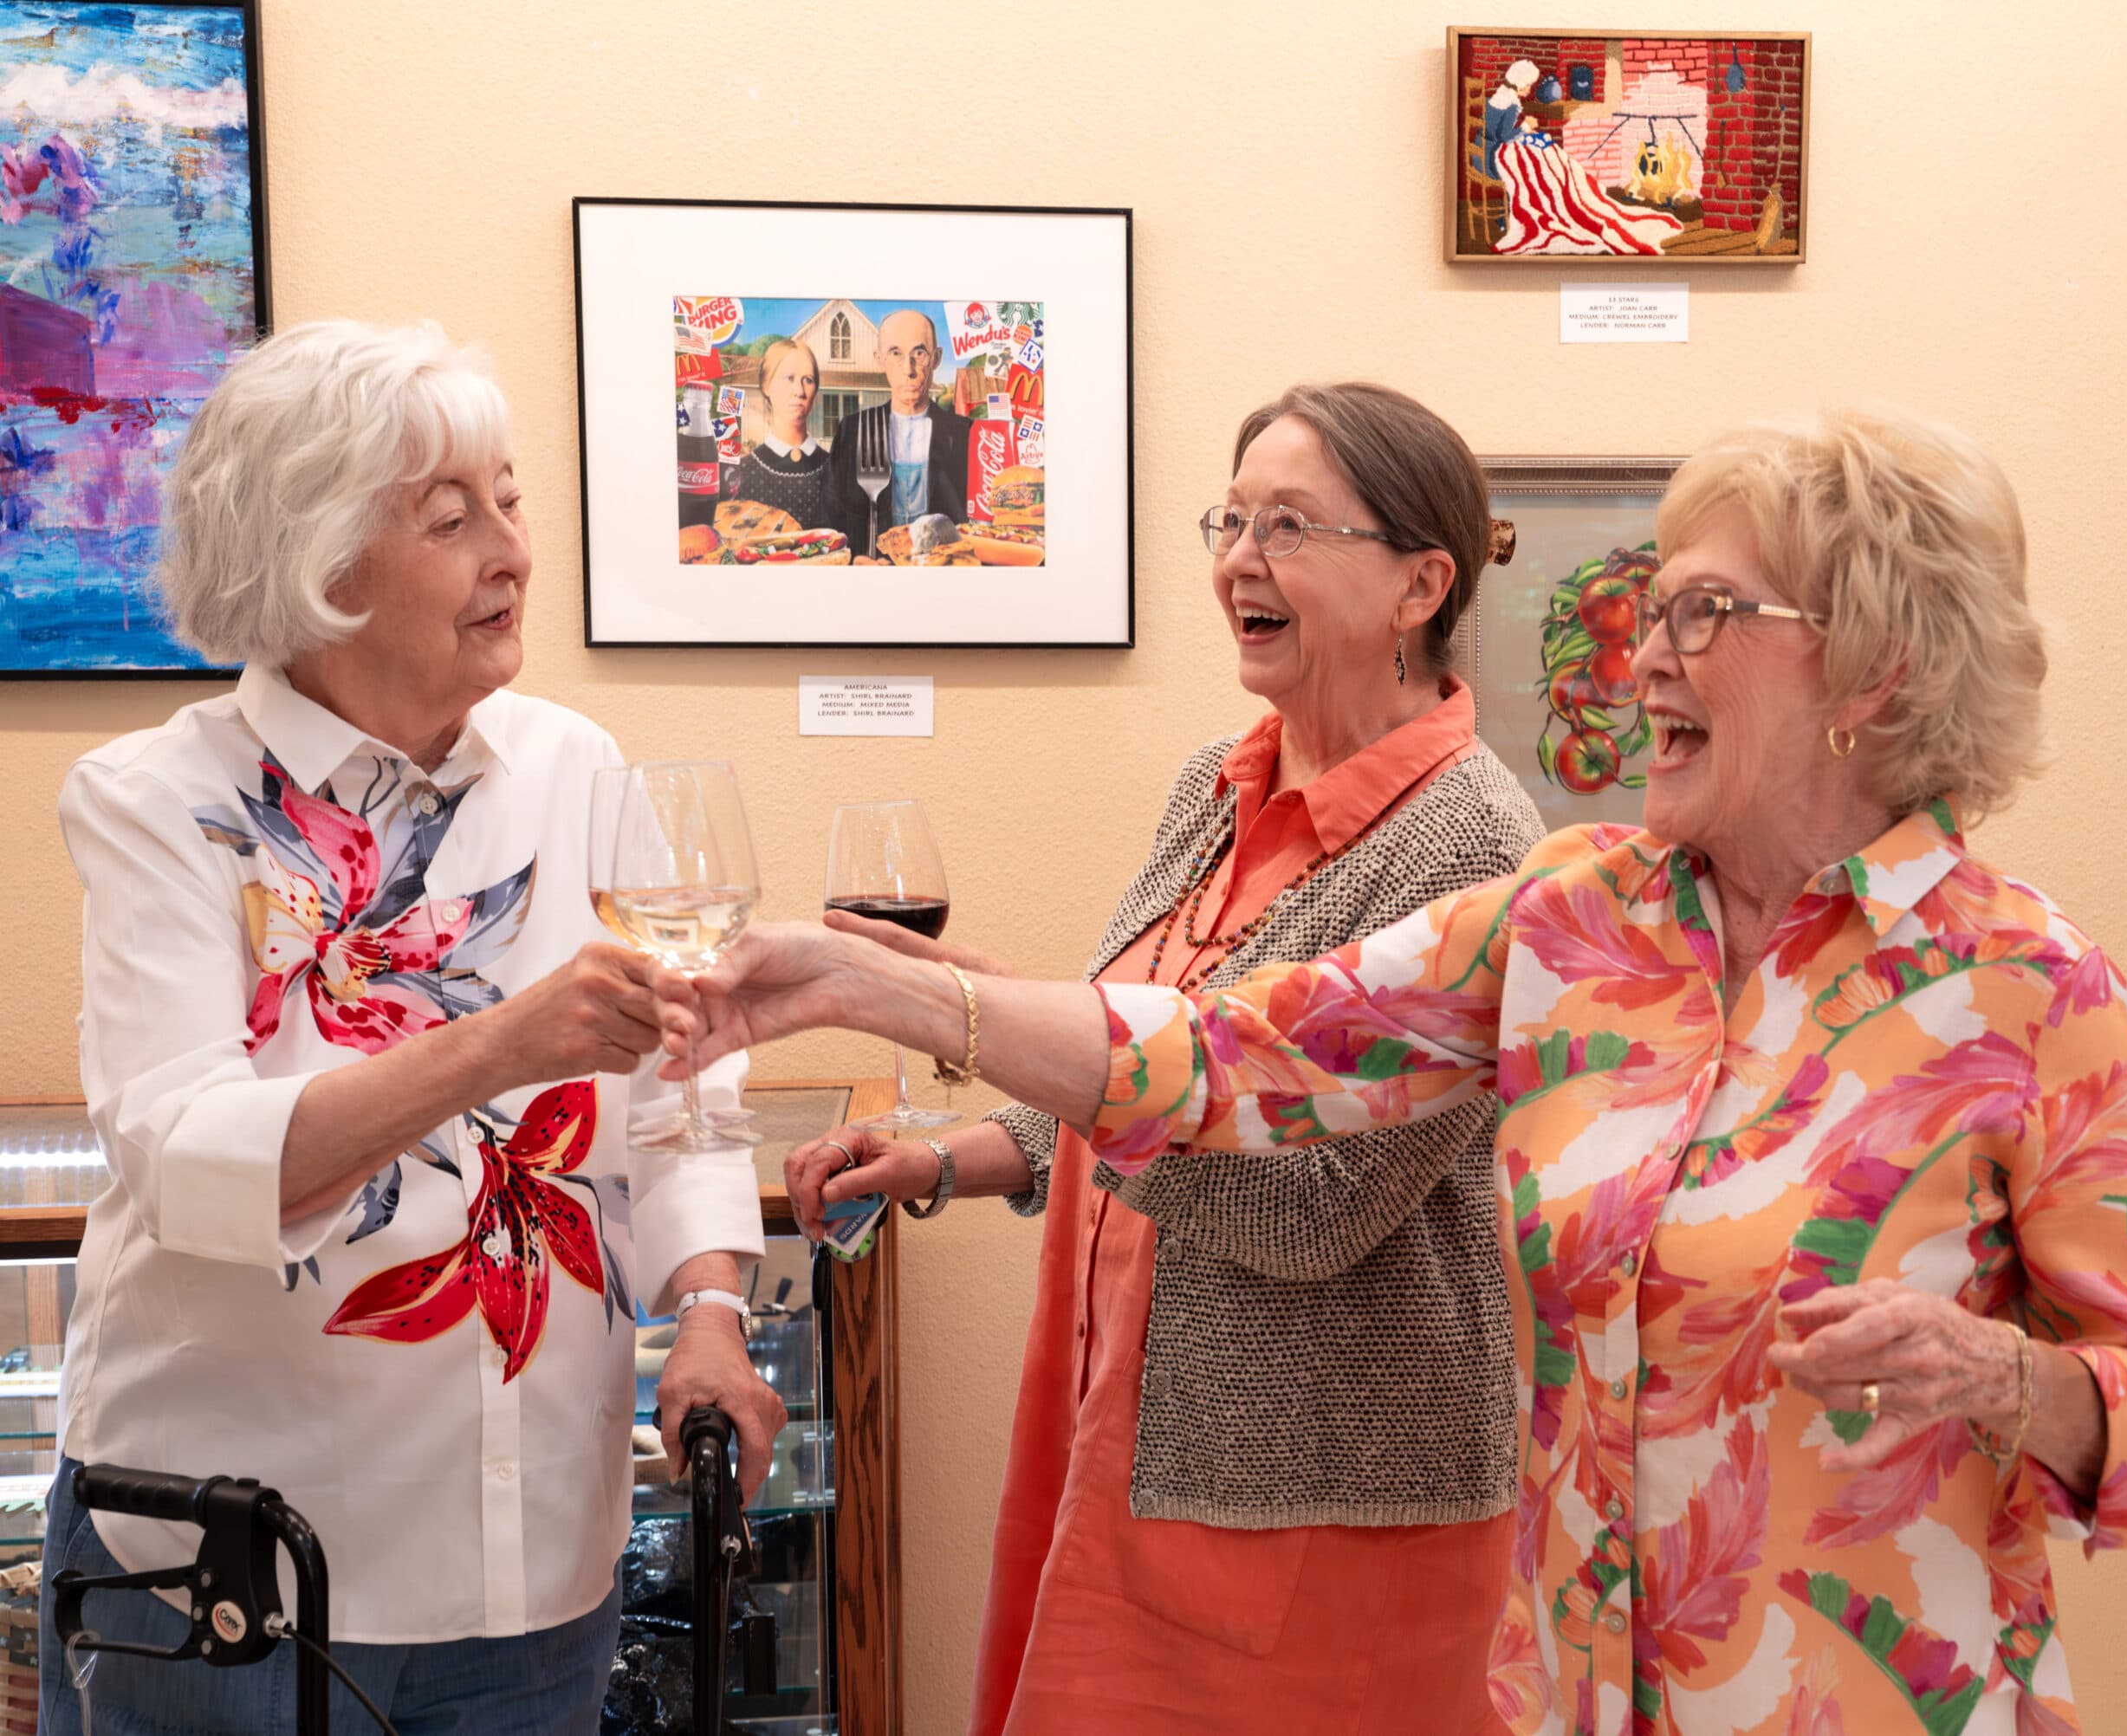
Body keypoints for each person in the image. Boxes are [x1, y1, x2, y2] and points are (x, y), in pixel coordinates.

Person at [659, 405, 2127, 1736]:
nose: (1639, 657)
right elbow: (1228, 1053)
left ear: (1873, 670)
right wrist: (886, 983)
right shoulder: (1574, 914)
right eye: (1647, 607)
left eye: (1699, 619)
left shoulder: (2028, 988)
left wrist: (2005, 1376)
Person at [40, 319, 784, 1736]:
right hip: (232, 1574)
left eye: (509, 499)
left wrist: (709, 1307)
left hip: (535, 1571)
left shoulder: (578, 768)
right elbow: (191, 1159)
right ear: (317, 567)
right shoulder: (158, 798)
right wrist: (495, 1044)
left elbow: (689, 1087)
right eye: (453, 518)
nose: (512, 548)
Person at [789, 382, 1540, 1733]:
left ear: (1421, 582)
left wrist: (975, 1019)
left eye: (1292, 526)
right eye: (1233, 518)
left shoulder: (1470, 844)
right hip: (1121, 1424)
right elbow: (1135, 1049)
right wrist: (948, 1157)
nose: (1240, 560)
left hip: (1314, 1493)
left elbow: (1303, 1207)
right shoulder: (1220, 781)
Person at [825, 307, 970, 556]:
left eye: (919, 353)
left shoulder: (965, 435)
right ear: (879, 358)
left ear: (936, 358)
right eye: (895, 353)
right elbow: (828, 522)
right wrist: (855, 562)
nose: (908, 369)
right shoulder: (852, 431)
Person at [723, 336, 832, 529]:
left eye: (808, 380)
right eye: (789, 378)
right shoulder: (741, 473)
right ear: (766, 386)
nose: (799, 391)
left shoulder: (836, 469)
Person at [1477, 58, 1539, 178]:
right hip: (1490, 160)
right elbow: (1504, 137)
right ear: (1521, 85)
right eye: (1528, 85)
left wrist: (1523, 132)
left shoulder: (1494, 99)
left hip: (1479, 149)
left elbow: (1495, 130)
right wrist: (1525, 127)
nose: (1530, 89)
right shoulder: (1512, 105)